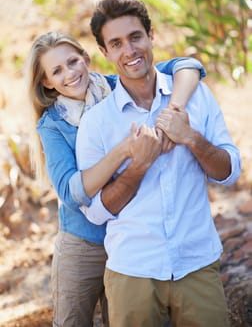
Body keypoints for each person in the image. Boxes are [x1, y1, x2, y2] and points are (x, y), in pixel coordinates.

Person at [76, 0, 241, 327]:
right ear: (105, 53)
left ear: (152, 36)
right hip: (132, 271)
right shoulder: (96, 122)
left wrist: (191, 138)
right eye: (116, 43)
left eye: (135, 37)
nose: (129, 50)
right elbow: (94, 211)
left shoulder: (196, 97)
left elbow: (230, 172)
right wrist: (138, 166)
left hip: (197, 263)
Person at [25, 30, 206, 327]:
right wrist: (124, 150)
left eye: (73, 62)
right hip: (84, 244)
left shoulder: (118, 88)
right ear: (47, 82)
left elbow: (187, 65)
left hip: (129, 239)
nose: (69, 74)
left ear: (86, 58)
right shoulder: (53, 124)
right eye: (57, 70)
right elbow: (71, 193)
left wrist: (174, 110)